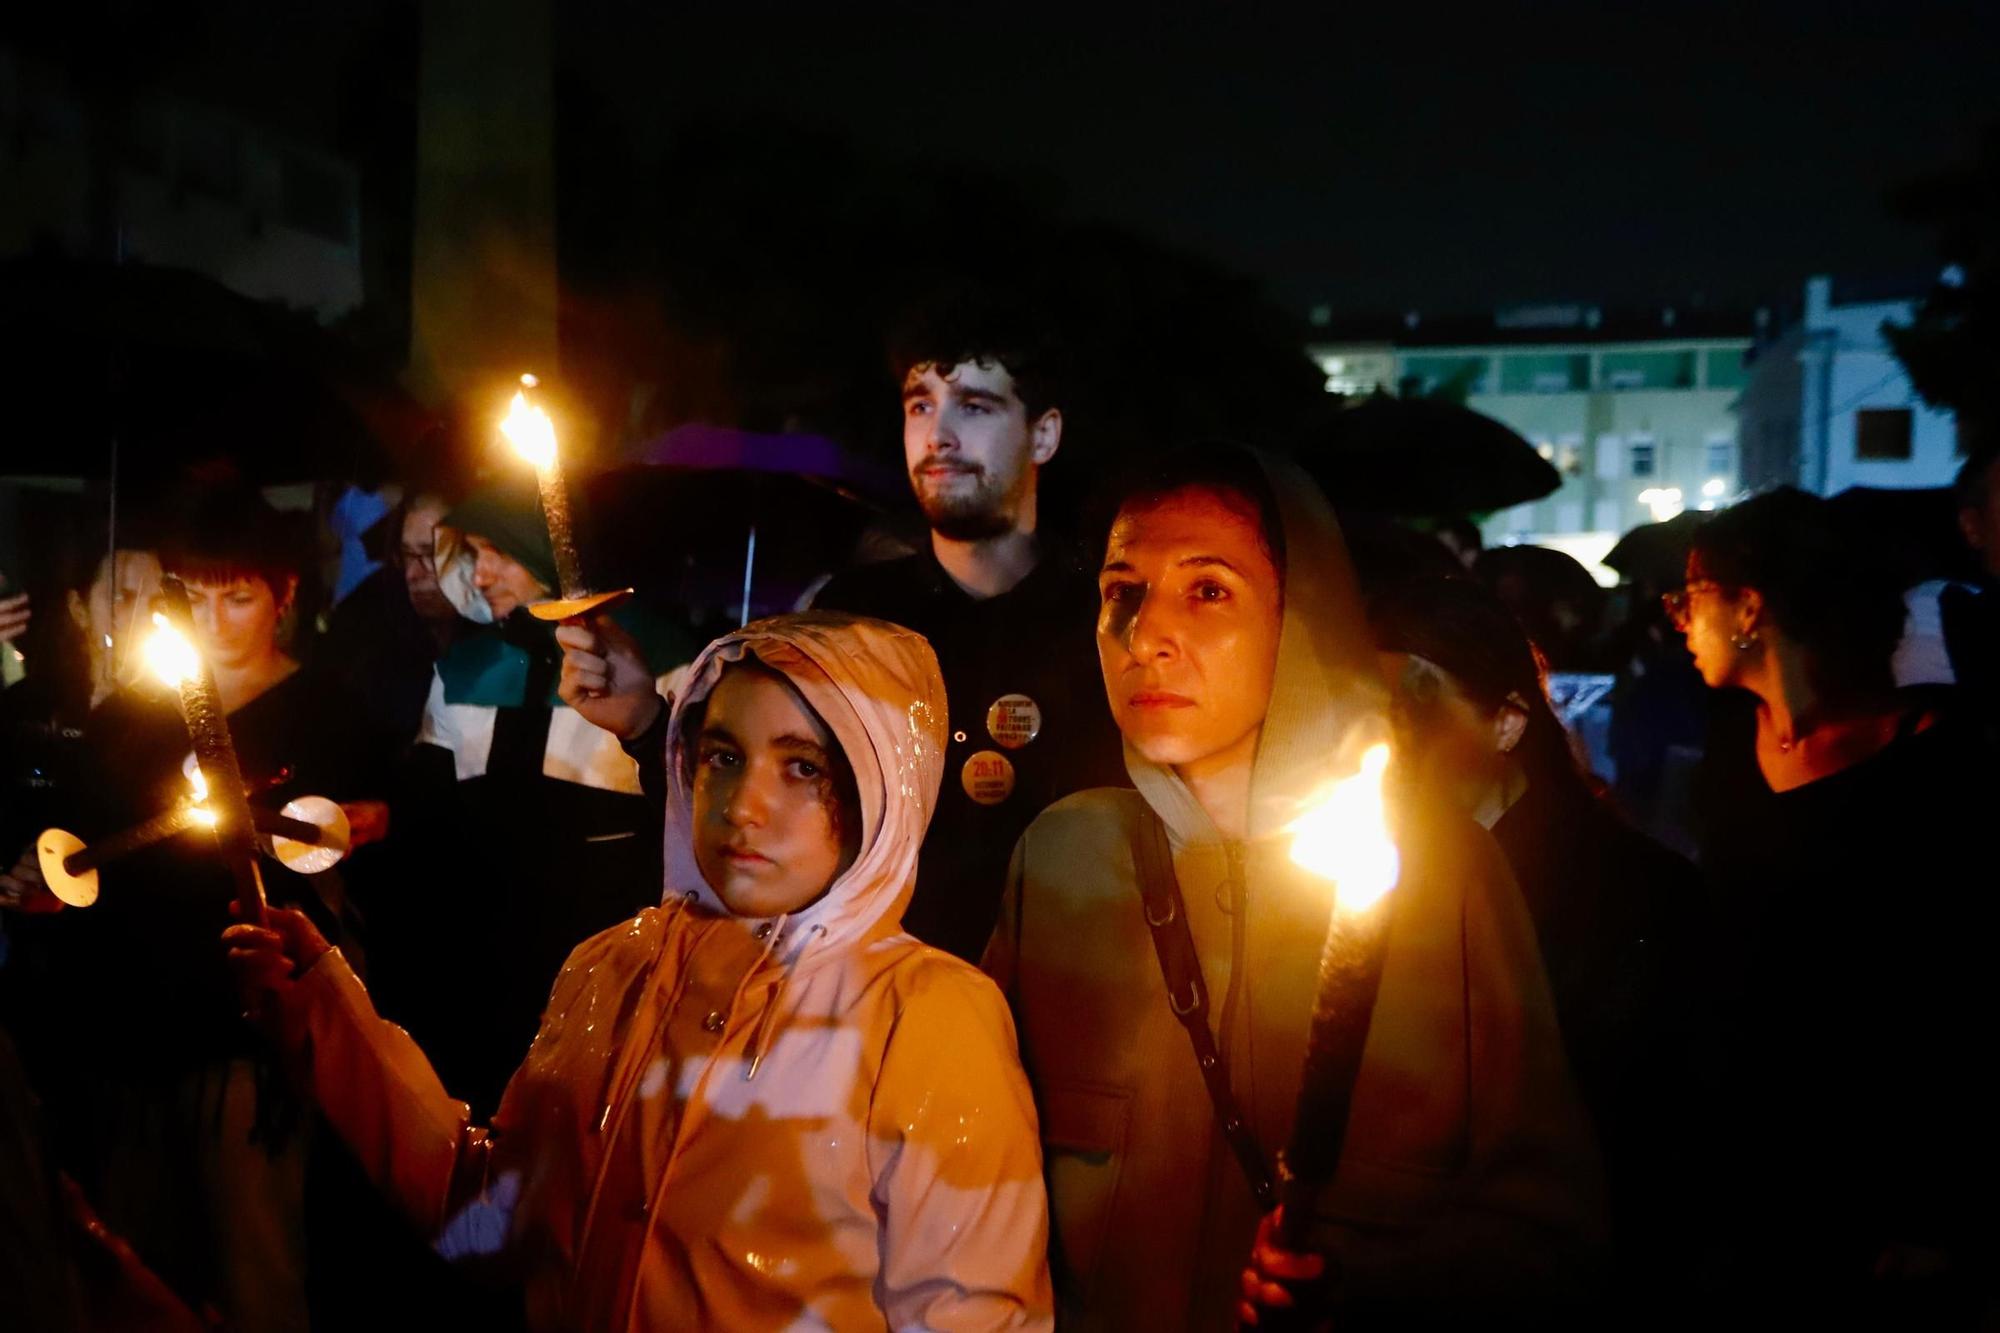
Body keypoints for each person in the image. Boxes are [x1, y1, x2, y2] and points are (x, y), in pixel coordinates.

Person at [225, 613, 1054, 1331]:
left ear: (881, 786)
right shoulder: (613, 966)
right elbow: (496, 1215)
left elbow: (970, 1313)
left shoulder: (927, 1017)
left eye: (802, 766)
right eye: (722, 755)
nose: (743, 804)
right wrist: (328, 1017)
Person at [987, 446, 1604, 1331]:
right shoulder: (1063, 857)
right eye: (1123, 590)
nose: (1145, 633)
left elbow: (1548, 1226)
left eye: (1208, 591)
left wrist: (1374, 1278)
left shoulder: (1437, 873)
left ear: (1301, 620)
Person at [8, 484, 386, 1333]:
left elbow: (368, 846)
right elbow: (81, 841)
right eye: (196, 597)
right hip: (132, 1035)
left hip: (247, 1049)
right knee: (134, 1273)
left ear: (285, 597)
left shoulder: (329, 714)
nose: (215, 620)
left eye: (240, 597)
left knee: (256, 1275)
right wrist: (41, 874)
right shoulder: (128, 718)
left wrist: (368, 823)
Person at [1676, 487, 2000, 1322]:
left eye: (1692, 592)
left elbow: (1955, 999)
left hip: (1872, 1173)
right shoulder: (1725, 748)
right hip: (1741, 1156)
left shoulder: (1930, 761)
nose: (1677, 616)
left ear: (1750, 607)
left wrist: (1935, 1212)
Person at [1367, 574, 1707, 1315]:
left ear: (1507, 722)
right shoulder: (1364, 882)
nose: (1383, 738)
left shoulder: (1636, 893)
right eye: (1365, 705)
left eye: (1416, 700)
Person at [808, 285, 1126, 961]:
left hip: (1075, 1000)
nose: (939, 435)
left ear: (1044, 434)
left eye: (975, 407)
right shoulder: (851, 617)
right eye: (920, 405)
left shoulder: (1107, 617)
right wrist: (643, 723)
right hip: (880, 1000)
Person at [405, 479, 696, 1114]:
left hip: (605, 969)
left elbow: (685, 819)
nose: (479, 575)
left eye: (498, 551)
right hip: (480, 971)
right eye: (471, 553)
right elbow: (430, 823)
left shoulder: (664, 664)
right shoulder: (464, 669)